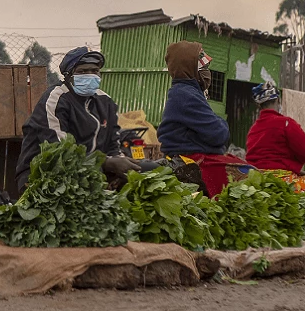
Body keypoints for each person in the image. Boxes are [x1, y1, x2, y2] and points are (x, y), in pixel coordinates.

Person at [16, 47, 156, 191]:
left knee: (149, 171)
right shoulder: (56, 99)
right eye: (82, 71)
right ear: (68, 75)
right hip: (46, 176)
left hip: (91, 174)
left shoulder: (105, 101)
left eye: (94, 71)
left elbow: (113, 145)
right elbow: (59, 151)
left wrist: (121, 164)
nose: (90, 75)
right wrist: (106, 163)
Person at [158, 41, 234, 196]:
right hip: (188, 161)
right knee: (243, 175)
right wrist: (221, 122)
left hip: (192, 156)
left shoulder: (187, 92)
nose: (207, 72)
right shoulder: (186, 95)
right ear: (190, 69)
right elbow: (219, 134)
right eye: (203, 68)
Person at [245, 82, 305, 192]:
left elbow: (268, 162)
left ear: (259, 105)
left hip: (257, 183)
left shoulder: (253, 129)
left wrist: (298, 171)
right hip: (282, 183)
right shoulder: (286, 124)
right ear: (278, 100)